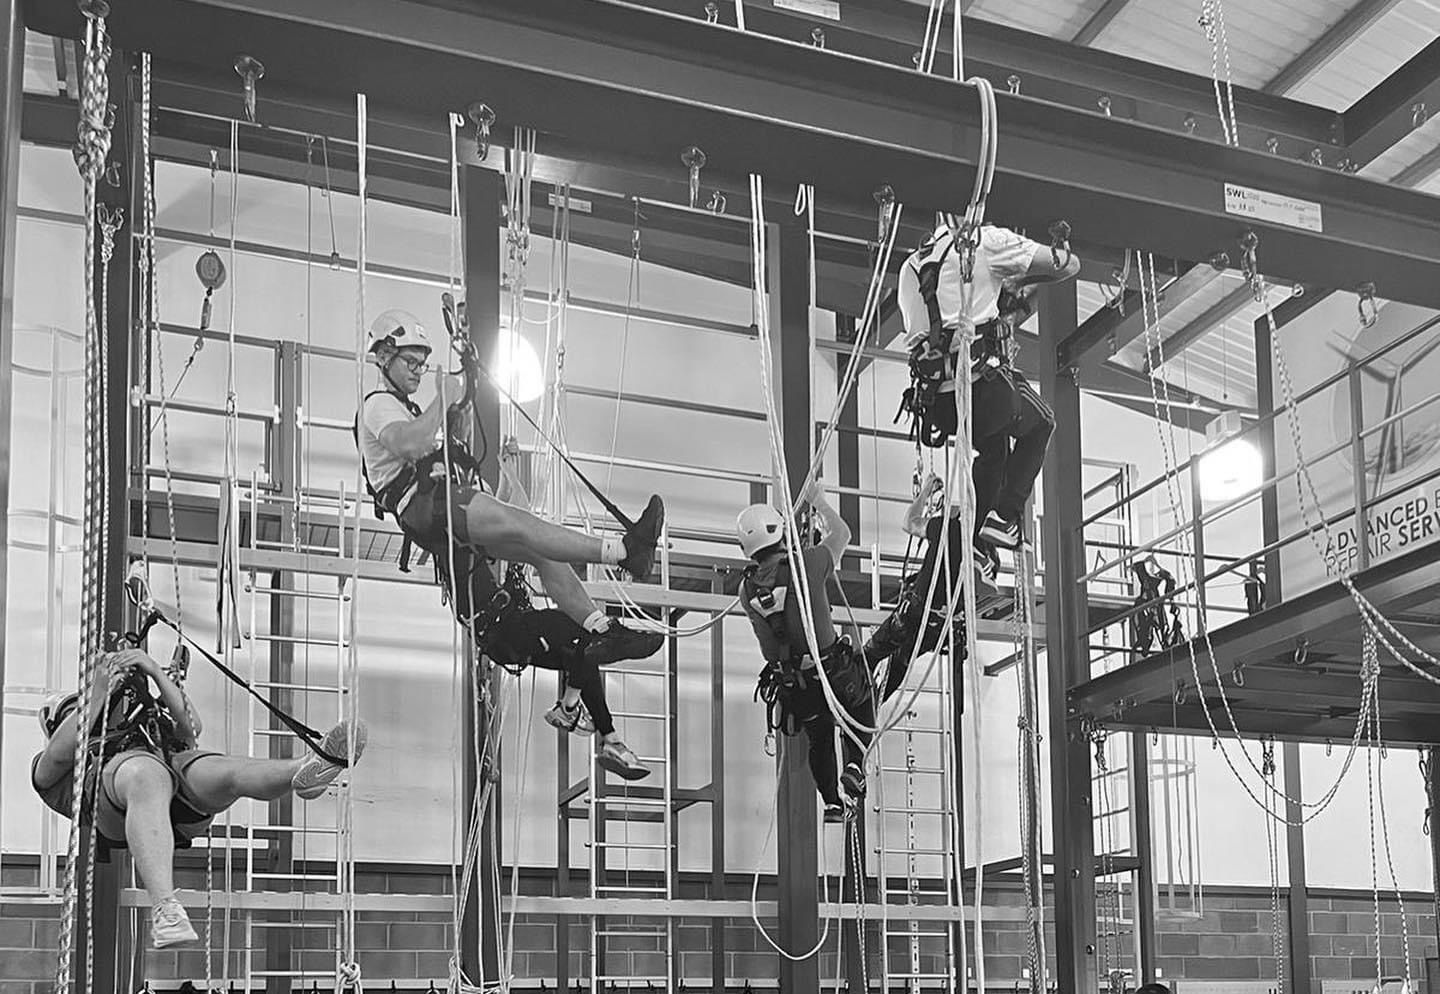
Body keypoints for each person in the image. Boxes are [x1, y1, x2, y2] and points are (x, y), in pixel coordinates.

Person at [356, 309, 665, 667]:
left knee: (539, 552)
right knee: (520, 523)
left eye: (421, 364)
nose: (417, 370)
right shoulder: (377, 405)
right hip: (429, 508)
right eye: (410, 361)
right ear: (383, 356)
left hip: (439, 509)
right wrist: (442, 398)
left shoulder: (406, 409)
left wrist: (459, 405)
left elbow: (440, 443)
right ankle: (624, 551)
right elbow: (410, 444)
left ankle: (600, 628)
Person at [31, 648, 365, 948]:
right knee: (145, 773)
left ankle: (301, 769)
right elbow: (59, 755)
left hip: (176, 799)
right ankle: (166, 910)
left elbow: (191, 728)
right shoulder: (49, 767)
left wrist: (155, 673)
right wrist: (99, 690)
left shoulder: (144, 732)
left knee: (222, 770)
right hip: (116, 807)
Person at [895, 222, 1080, 553]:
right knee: (1042, 422)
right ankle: (1006, 516)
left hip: (939, 404)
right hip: (981, 390)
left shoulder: (911, 264)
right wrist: (1019, 276)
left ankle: (978, 539)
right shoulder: (987, 242)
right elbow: (1067, 264)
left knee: (994, 452)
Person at [490, 436, 648, 780]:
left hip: (519, 632)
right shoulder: (483, 548)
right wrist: (509, 476)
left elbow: (510, 510)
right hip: (506, 632)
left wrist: (508, 472)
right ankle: (569, 707)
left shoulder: (498, 542)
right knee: (584, 633)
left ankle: (611, 740)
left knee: (585, 653)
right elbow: (512, 514)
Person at [736, 483, 874, 823]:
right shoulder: (809, 563)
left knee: (819, 737)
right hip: (832, 672)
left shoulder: (746, 589)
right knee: (863, 699)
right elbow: (842, 534)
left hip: (795, 685)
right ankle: (854, 766)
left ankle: (832, 803)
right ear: (780, 532)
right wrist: (818, 502)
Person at [862, 473, 971, 702]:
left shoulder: (947, 528)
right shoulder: (982, 545)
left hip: (917, 614)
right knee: (900, 663)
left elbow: (910, 522)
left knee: (870, 655)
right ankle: (871, 707)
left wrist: (925, 491)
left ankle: (851, 704)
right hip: (941, 625)